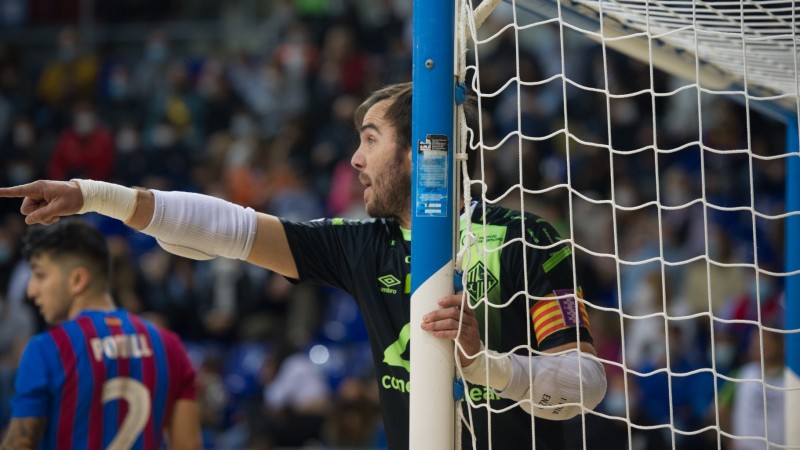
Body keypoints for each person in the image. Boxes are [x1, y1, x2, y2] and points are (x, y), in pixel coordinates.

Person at [0, 82, 606, 449]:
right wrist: (91, 194)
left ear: (425, 145)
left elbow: (587, 382)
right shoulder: (363, 244)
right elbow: (229, 227)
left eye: (370, 139)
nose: (355, 158)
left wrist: (485, 366)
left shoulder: (523, 238)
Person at [0, 220, 202, 450]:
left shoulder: (48, 349)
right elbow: (188, 445)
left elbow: (19, 445)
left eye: (40, 275)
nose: (31, 290)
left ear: (77, 280)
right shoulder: (169, 346)